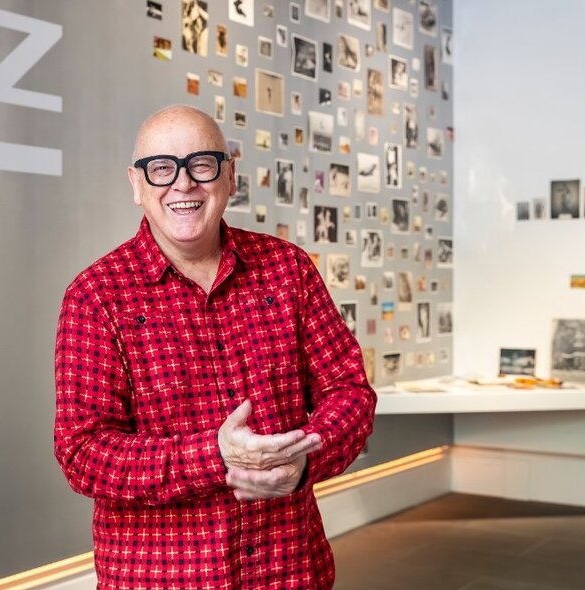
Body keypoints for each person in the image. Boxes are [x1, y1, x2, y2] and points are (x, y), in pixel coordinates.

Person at [54, 105, 376, 589]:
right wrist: (215, 457)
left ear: (230, 176)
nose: (183, 184)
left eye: (202, 164)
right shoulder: (97, 296)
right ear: (136, 184)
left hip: (286, 570)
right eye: (161, 168)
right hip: (160, 579)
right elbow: (83, 452)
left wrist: (307, 457)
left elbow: (349, 390)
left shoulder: (289, 270)